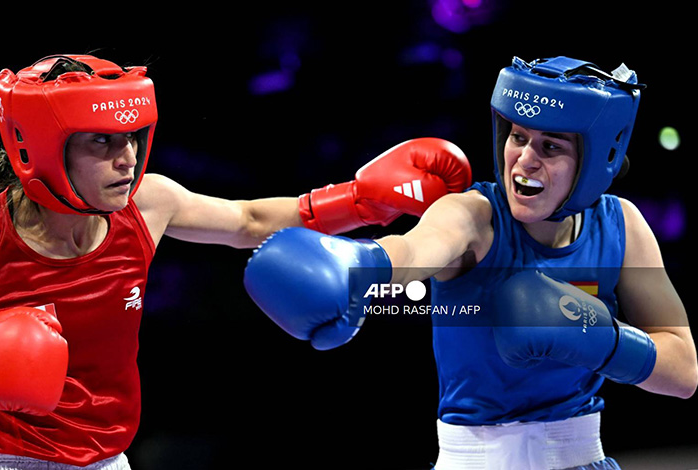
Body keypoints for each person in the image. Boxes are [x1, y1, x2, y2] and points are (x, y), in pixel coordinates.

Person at [0, 54, 473, 469]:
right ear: (36, 146)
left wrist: (361, 201)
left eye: (132, 138)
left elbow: (249, 221)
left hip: (112, 461)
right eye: (101, 144)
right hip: (4, 464)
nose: (127, 159)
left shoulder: (148, 205)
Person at [244, 56, 698, 469]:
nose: (524, 159)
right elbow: (415, 249)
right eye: (518, 137)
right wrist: (361, 268)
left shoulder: (622, 225)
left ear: (598, 161)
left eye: (551, 147)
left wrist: (600, 339)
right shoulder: (474, 215)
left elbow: (684, 373)